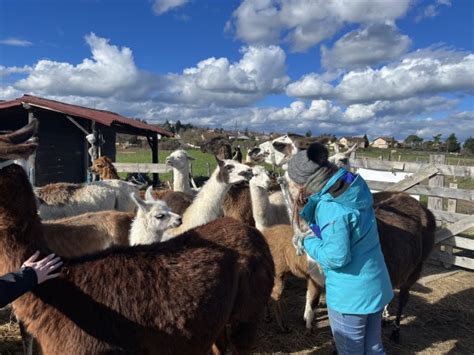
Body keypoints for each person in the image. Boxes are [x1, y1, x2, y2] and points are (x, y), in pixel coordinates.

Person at [288, 142, 393, 355]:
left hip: (350, 297)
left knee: (350, 351)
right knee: (374, 348)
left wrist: (306, 241)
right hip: (375, 285)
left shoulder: (331, 207)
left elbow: (336, 257)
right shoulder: (354, 190)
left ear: (304, 183)